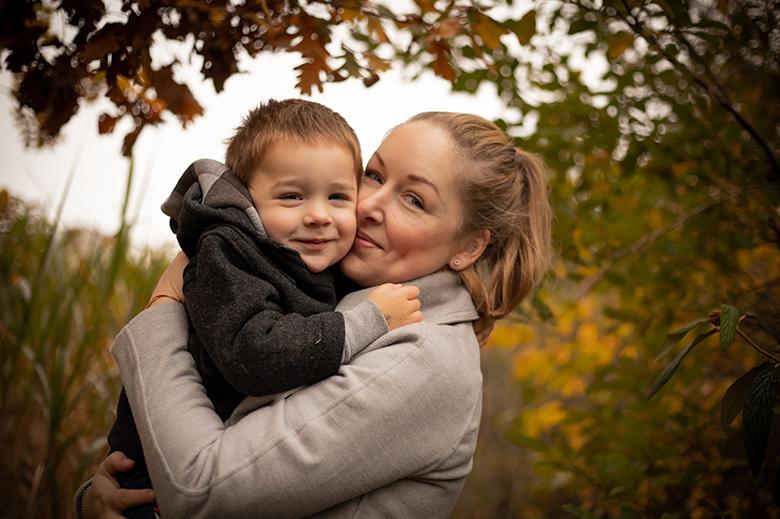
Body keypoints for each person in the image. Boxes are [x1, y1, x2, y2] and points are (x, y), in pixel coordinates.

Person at [78, 111, 552, 518]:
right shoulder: (326, 294)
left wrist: (163, 308)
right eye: (374, 175)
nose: (368, 206)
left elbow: (203, 489)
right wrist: (100, 500)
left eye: (414, 200)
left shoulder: (424, 358)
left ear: (469, 247)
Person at [105, 99, 422, 518]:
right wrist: (369, 321)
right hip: (151, 480)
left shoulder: (316, 259)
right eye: (292, 196)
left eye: (339, 196)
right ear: (248, 200)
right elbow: (254, 356)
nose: (318, 216)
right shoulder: (230, 252)